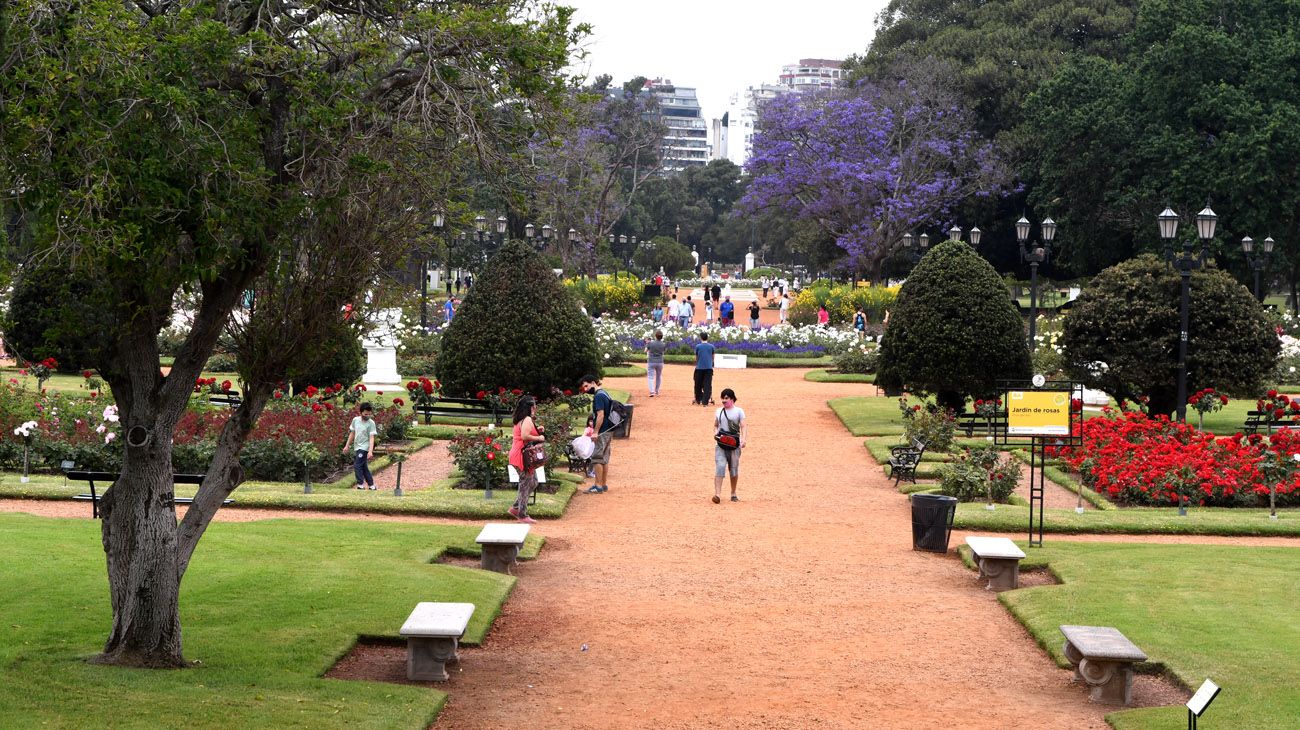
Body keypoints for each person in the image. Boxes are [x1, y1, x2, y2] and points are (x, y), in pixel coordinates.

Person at [507, 396, 544, 524]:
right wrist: (539, 437)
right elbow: (524, 436)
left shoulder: (522, 419)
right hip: (521, 456)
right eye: (534, 406)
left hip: (519, 454)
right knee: (526, 483)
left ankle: (516, 507)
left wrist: (537, 431)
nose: (535, 408)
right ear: (530, 407)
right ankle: (522, 515)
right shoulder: (527, 419)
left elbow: (525, 433)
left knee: (533, 482)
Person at [580, 374, 616, 493]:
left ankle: (598, 486)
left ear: (593, 383)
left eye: (586, 386)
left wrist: (595, 432)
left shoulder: (599, 396)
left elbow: (600, 415)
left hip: (602, 431)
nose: (585, 389)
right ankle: (603, 484)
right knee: (604, 458)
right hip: (608, 430)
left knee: (596, 458)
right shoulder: (605, 393)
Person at [710, 388, 748, 504]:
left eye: (726, 398)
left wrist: (744, 439)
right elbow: (716, 425)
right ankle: (717, 495)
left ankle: (733, 493)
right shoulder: (718, 411)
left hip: (734, 445)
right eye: (722, 398)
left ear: (732, 399)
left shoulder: (739, 411)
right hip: (721, 444)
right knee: (720, 467)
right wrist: (715, 432)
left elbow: (743, 426)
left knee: (734, 470)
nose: (723, 400)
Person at [343, 402, 379, 490]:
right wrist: (347, 446)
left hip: (364, 448)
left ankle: (360, 484)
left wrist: (370, 451)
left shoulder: (371, 423)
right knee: (364, 467)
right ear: (361, 412)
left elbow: (371, 438)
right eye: (366, 414)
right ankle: (371, 485)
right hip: (357, 446)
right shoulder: (355, 420)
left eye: (369, 414)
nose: (368, 415)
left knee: (357, 465)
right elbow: (352, 433)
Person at [694, 332, 715, 406]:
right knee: (707, 385)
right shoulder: (711, 346)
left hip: (699, 368)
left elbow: (696, 357)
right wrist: (710, 363)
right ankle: (705, 401)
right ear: (707, 338)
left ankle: (698, 399)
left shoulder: (698, 346)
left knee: (698, 384)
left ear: (701, 338)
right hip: (708, 368)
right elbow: (713, 357)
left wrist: (697, 364)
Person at [646, 329, 668, 397]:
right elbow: (664, 351)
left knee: (650, 377)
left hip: (651, 361)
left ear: (655, 336)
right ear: (662, 337)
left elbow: (647, 350)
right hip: (660, 362)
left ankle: (652, 392)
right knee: (658, 376)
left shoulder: (650, 343)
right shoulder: (663, 344)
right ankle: (657, 391)